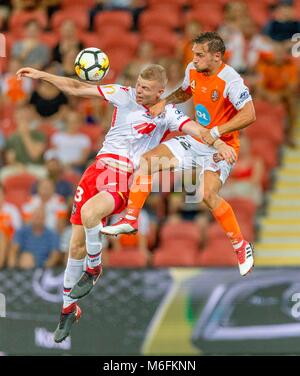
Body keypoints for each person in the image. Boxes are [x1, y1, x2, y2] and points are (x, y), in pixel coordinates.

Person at [17, 63, 235, 343]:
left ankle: (94, 267)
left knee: (90, 213)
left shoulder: (168, 113)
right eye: (139, 86)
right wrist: (42, 75)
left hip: (122, 176)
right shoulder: (122, 94)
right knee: (75, 244)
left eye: (146, 89)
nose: (140, 91)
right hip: (96, 170)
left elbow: (199, 130)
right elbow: (76, 87)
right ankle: (68, 310)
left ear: (160, 91)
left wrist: (220, 145)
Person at [102, 32, 256, 277]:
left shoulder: (231, 81)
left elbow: (250, 114)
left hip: (221, 146)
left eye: (200, 55)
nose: (194, 59)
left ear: (217, 56)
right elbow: (186, 92)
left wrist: (216, 133)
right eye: (193, 54)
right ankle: (131, 220)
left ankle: (240, 245)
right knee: (147, 162)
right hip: (196, 139)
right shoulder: (192, 70)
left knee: (206, 194)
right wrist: (166, 101)